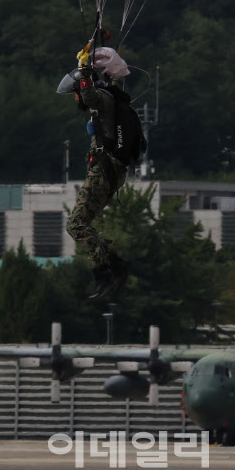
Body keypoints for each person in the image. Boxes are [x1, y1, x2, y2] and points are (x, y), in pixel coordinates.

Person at [57, 42, 145, 299]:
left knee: (76, 224)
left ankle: (107, 271)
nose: (75, 98)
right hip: (112, 172)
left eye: (74, 93)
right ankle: (112, 267)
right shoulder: (113, 100)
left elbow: (89, 95)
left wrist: (84, 70)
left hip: (104, 170)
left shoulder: (103, 99)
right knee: (83, 224)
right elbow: (99, 91)